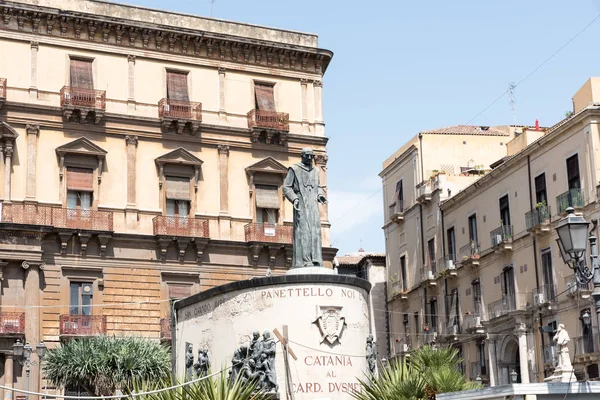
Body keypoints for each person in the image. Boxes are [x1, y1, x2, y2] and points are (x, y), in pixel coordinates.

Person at [283, 148, 327, 268]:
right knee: (304, 231)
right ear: (302, 156)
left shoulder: (316, 171)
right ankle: (304, 261)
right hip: (301, 204)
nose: (309, 158)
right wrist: (294, 199)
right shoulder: (294, 169)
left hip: (313, 206)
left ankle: (316, 260)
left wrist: (320, 195)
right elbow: (286, 187)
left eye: (311, 156)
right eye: (307, 156)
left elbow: (317, 186)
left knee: (315, 231)